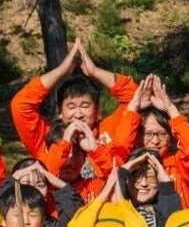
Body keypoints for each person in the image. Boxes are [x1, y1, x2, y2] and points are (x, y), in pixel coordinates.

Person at [9, 40, 138, 198]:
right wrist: (61, 71)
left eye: (85, 105)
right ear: (60, 112)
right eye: (71, 107)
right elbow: (20, 105)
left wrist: (95, 72)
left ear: (97, 110)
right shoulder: (47, 136)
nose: (78, 114)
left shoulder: (108, 130)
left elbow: (134, 96)